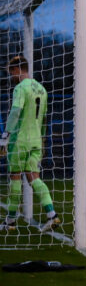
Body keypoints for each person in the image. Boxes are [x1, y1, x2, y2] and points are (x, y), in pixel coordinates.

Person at [2, 55, 58, 232]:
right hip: (36, 141)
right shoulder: (42, 89)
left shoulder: (20, 88)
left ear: (18, 69)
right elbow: (44, 119)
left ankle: (10, 221)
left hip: (19, 140)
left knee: (15, 178)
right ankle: (52, 215)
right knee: (34, 177)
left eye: (12, 72)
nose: (11, 77)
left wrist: (4, 137)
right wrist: (42, 140)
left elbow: (15, 112)